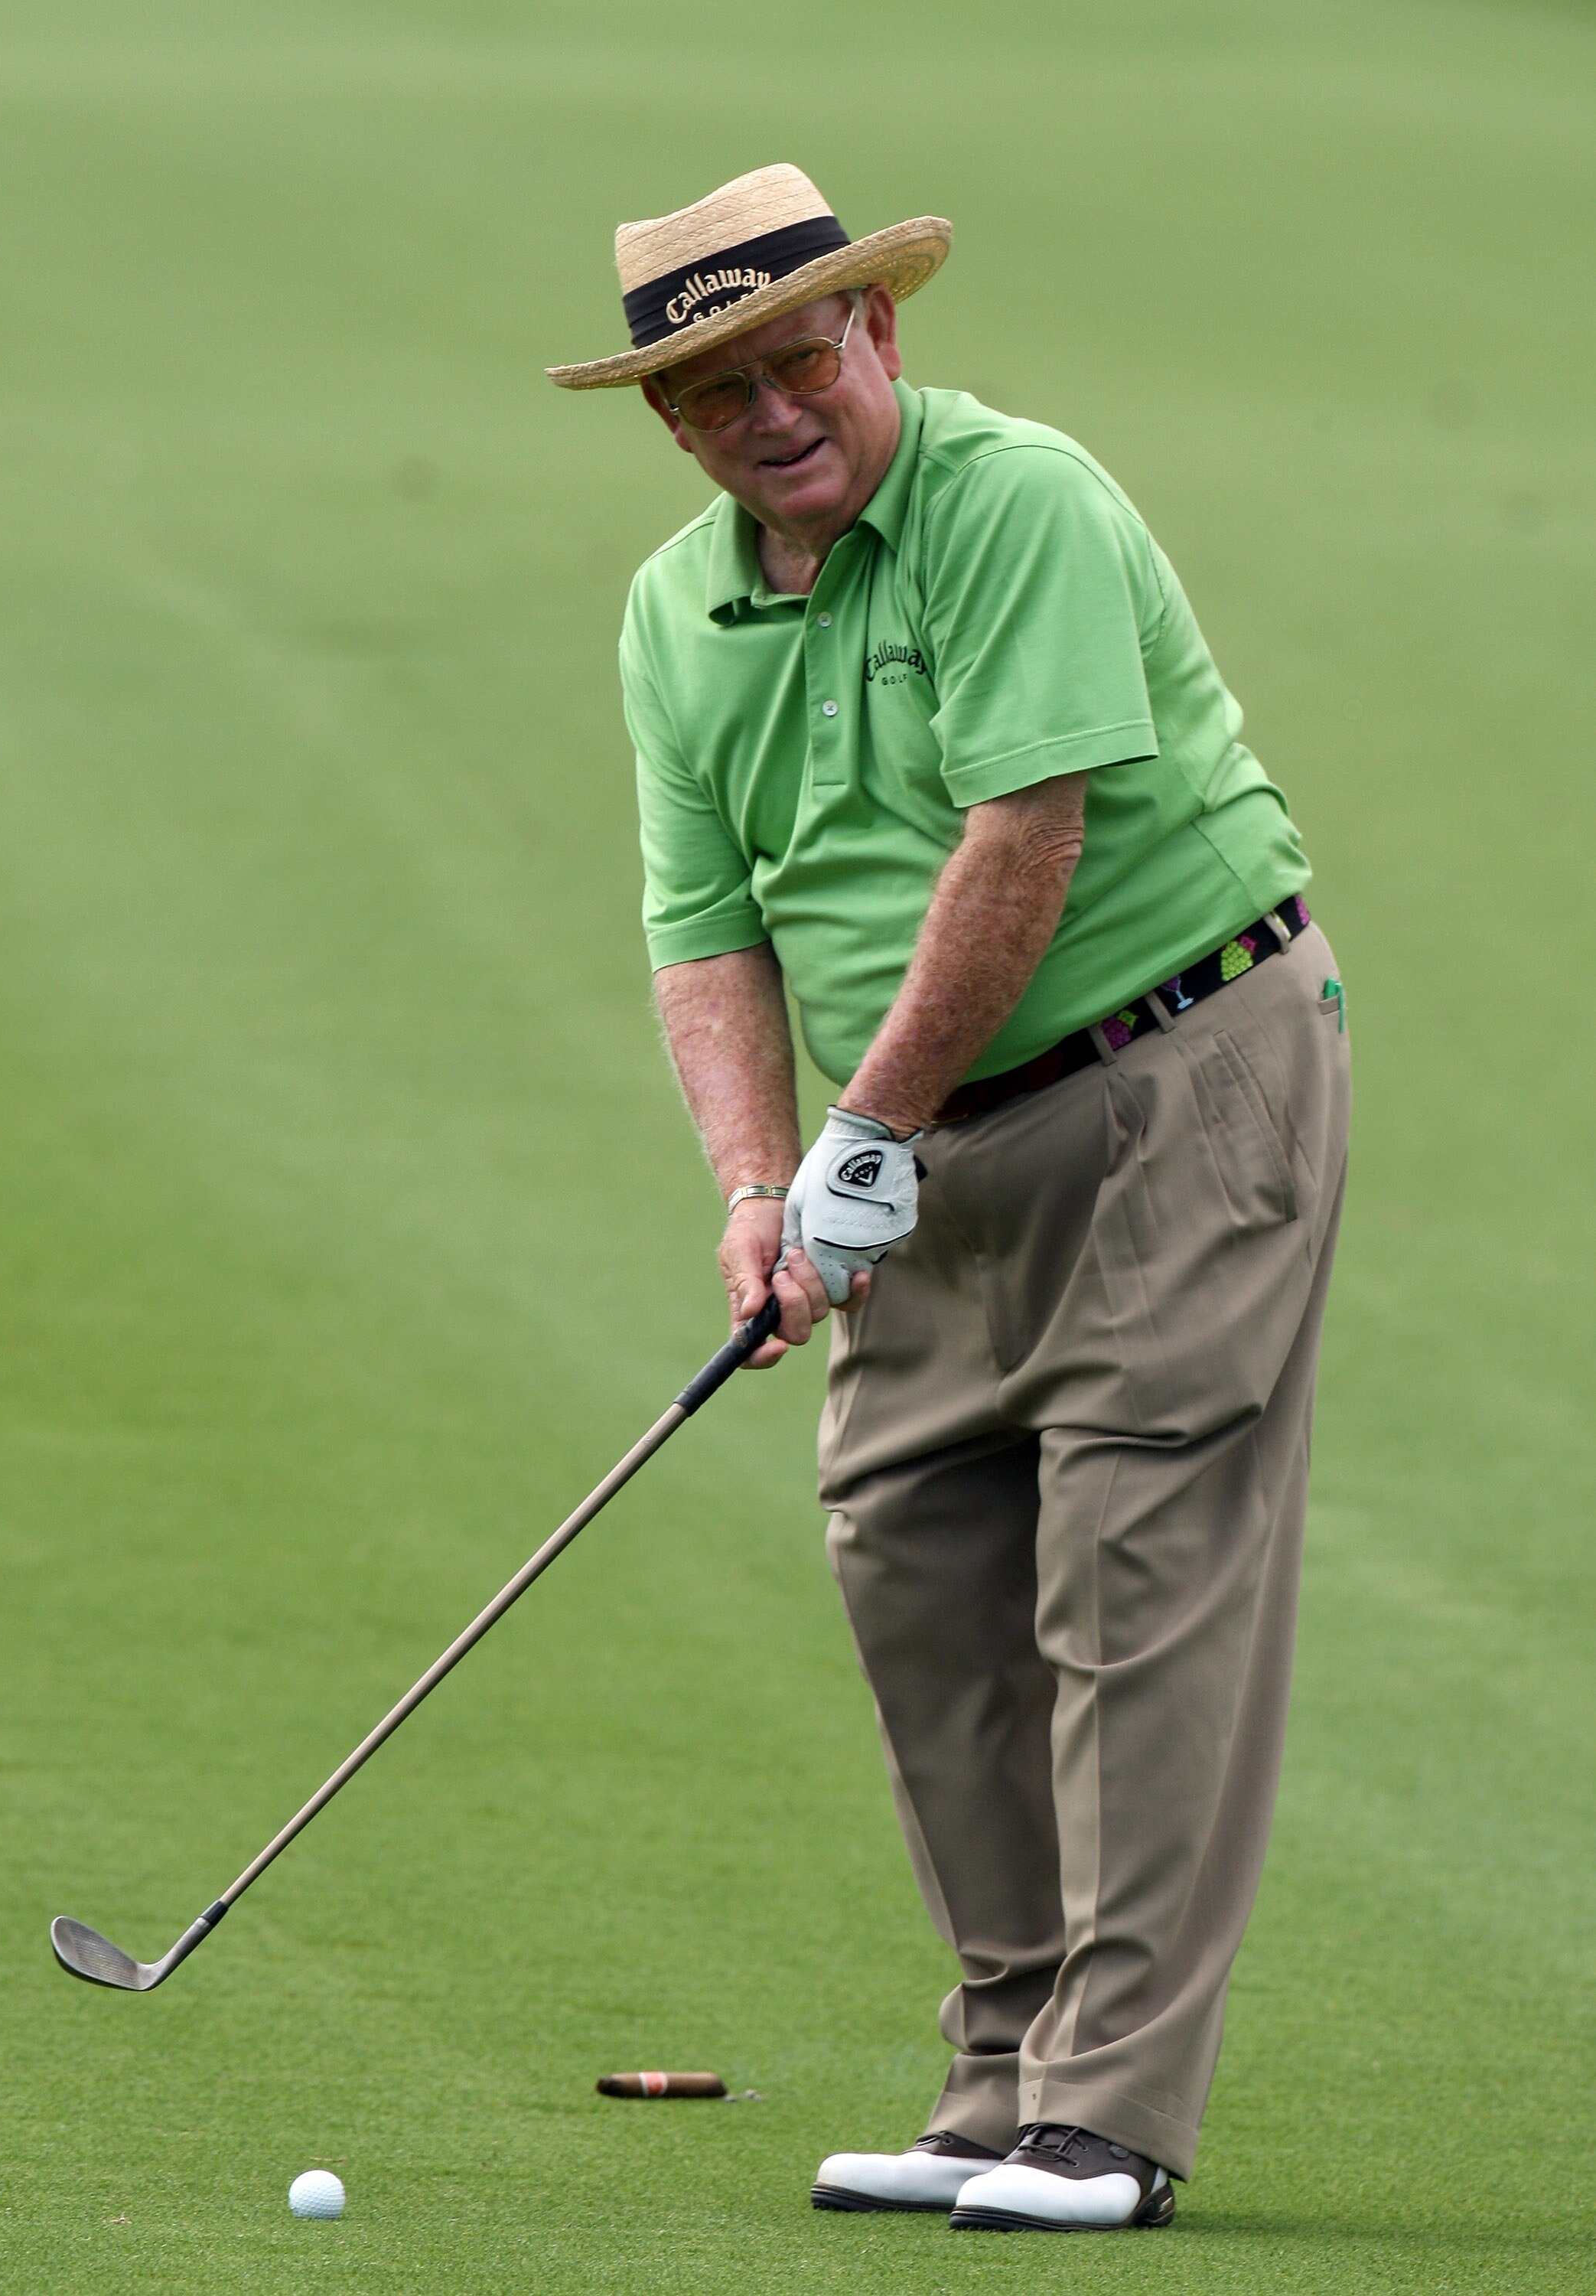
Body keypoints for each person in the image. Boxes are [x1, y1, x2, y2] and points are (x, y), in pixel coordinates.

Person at [549, 163, 1350, 2236]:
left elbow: (1027, 837)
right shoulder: (675, 609)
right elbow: (704, 934)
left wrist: (859, 1137)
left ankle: (1106, 2114)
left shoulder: (1021, 505)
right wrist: (758, 1180)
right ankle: (999, 2077)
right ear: (670, 425)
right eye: (710, 394)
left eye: (792, 359)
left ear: (872, 336)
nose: (766, 414)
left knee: (1131, 1565)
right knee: (910, 1560)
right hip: (917, 1139)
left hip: (1179, 1072)